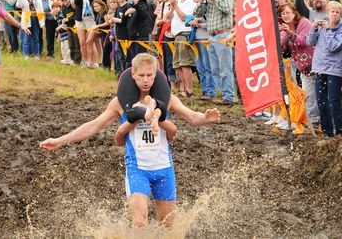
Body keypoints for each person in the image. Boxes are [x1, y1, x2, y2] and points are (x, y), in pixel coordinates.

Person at [39, 53, 221, 228]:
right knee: (140, 222)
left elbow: (192, 118)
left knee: (168, 225)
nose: (145, 80)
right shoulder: (120, 102)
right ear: (132, 75)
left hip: (164, 168)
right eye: (141, 75)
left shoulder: (169, 99)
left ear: (156, 74)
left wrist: (205, 118)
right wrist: (60, 140)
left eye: (150, 75)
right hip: (137, 169)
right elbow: (94, 126)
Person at [278, 3, 320, 130]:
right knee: (306, 94)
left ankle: (314, 122)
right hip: (301, 66)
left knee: (312, 94)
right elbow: (282, 46)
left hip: (314, 63)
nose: (285, 15)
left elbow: (304, 41)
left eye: (288, 12)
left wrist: (289, 33)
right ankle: (308, 121)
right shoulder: (286, 29)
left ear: (294, 13)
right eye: (282, 13)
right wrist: (279, 35)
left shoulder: (304, 22)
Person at [307, 1, 342, 137]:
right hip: (319, 68)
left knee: (334, 100)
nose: (334, 14)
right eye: (332, 11)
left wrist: (328, 30)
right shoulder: (322, 26)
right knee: (321, 101)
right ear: (327, 13)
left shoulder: (340, 29)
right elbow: (310, 42)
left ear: (340, 14)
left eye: (337, 12)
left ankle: (339, 130)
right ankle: (328, 132)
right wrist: (314, 29)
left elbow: (334, 47)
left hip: (335, 70)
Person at [194, 0, 235, 104]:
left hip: (223, 35)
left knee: (225, 68)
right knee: (215, 69)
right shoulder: (206, 0)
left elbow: (227, 8)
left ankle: (228, 97)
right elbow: (197, 13)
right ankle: (222, 95)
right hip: (211, 37)